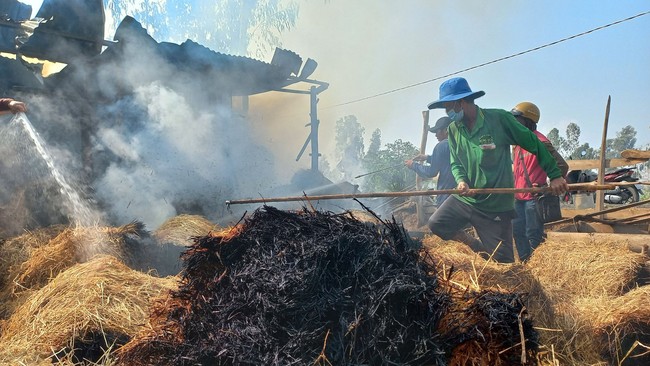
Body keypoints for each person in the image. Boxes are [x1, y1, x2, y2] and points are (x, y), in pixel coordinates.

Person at [426, 77, 568, 263]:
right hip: (466, 198)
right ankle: (476, 246)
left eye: (448, 107)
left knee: (504, 264)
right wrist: (461, 180)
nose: (447, 112)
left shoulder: (498, 119)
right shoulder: (454, 129)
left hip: (494, 205)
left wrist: (555, 175)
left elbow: (534, 143)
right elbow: (456, 162)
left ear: (461, 102)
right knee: (437, 223)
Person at [510, 101, 569, 261]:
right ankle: (525, 265)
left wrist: (549, 184)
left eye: (517, 119)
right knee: (517, 232)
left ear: (528, 120)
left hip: (534, 198)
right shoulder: (517, 144)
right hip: (518, 197)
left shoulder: (541, 141)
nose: (514, 123)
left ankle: (537, 266)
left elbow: (562, 165)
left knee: (533, 234)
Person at [405, 116, 455, 206]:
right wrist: (427, 158)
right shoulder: (459, 144)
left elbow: (432, 172)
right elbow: (447, 162)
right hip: (461, 194)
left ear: (446, 130)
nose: (436, 135)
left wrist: (413, 165)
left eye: (437, 131)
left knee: (436, 220)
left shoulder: (440, 146)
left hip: (446, 196)